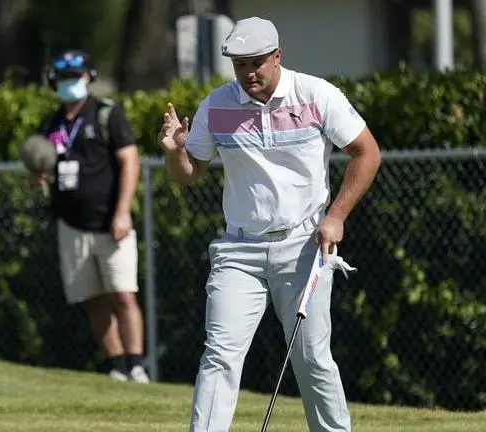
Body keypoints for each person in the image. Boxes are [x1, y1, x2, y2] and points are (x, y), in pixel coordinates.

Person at [157, 16, 381, 432]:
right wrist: (174, 152)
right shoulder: (216, 106)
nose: (248, 73)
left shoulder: (316, 95)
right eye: (240, 64)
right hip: (239, 251)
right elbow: (188, 173)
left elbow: (367, 152)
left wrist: (336, 217)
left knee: (312, 359)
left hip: (304, 248)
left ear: (277, 56)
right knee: (220, 354)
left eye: (256, 62)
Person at [33, 49, 150, 383]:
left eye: (76, 76)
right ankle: (116, 366)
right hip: (71, 224)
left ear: (89, 78)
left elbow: (130, 162)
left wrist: (122, 212)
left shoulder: (106, 113)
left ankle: (137, 365)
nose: (70, 82)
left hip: (111, 223)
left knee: (123, 294)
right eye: (64, 77)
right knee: (92, 299)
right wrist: (37, 177)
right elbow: (43, 168)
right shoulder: (51, 123)